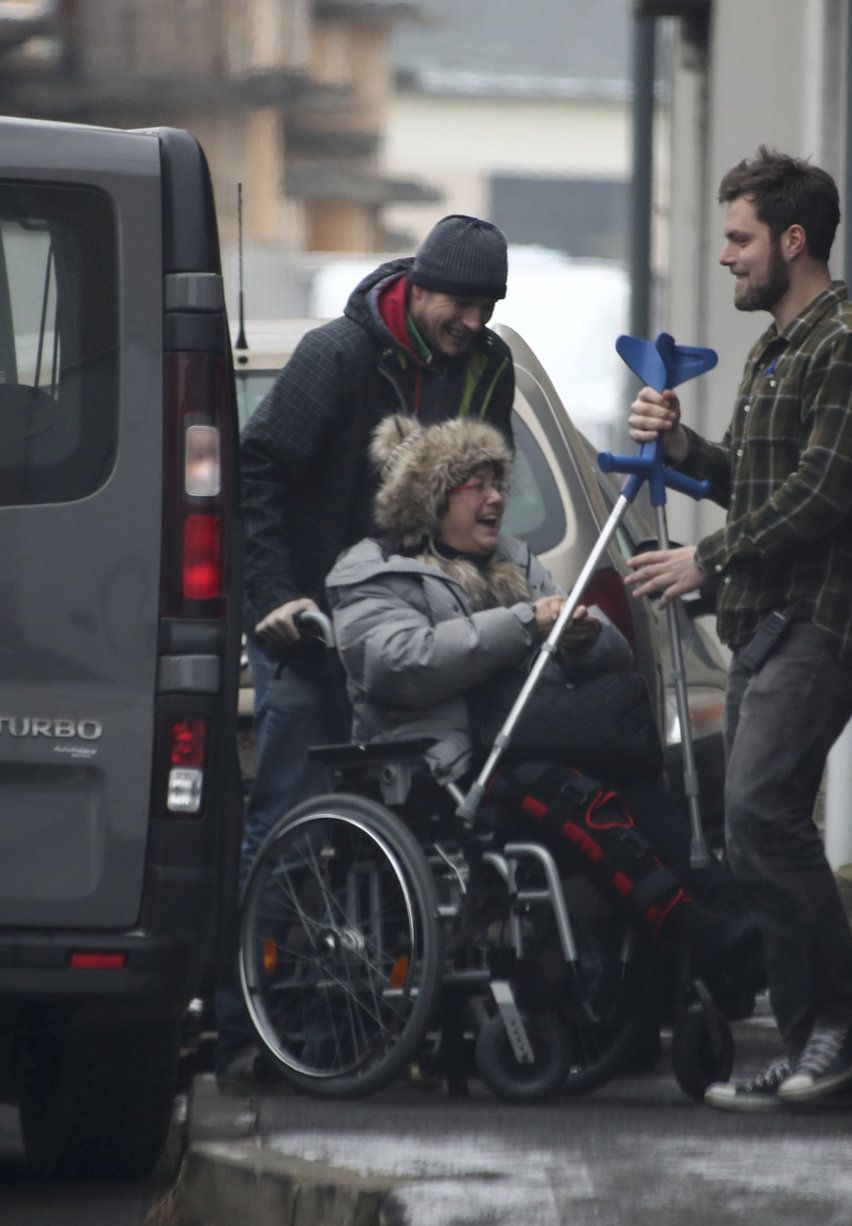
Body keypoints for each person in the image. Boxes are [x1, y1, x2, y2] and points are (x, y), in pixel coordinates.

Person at [218, 215, 515, 1077]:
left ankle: (375, 1022)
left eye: (488, 305)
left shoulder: (487, 366)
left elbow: (482, 486)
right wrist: (274, 597)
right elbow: (259, 467)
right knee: (289, 819)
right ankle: (248, 1033)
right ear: (418, 288)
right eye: (461, 302)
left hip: (409, 628)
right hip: (311, 628)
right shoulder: (339, 358)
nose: (473, 321)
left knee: (413, 829)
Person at [324, 414, 757, 976]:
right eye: (474, 485)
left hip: (524, 743)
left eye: (498, 483)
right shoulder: (375, 573)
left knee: (638, 784)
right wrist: (524, 621)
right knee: (569, 793)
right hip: (443, 767)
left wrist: (584, 637)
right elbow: (402, 663)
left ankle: (727, 917)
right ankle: (690, 927)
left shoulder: (517, 561)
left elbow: (614, 650)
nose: (495, 498)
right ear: (428, 498)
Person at [624, 147, 852, 1112]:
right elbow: (765, 483)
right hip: (771, 624)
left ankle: (838, 1027)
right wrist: (687, 449)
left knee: (760, 816)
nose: (726, 256)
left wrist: (708, 558)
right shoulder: (778, 346)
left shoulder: (844, 340)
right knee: (756, 827)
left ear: (793, 240)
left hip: (820, 620)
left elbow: (823, 494)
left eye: (740, 238)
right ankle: (818, 1047)